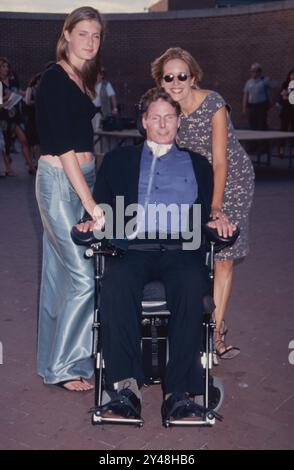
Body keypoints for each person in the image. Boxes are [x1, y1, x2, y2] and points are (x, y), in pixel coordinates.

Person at [78, 88, 235, 422]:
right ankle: (126, 389)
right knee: (116, 283)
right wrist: (90, 223)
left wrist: (219, 224)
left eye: (169, 118)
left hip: (180, 250)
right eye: (155, 117)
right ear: (144, 122)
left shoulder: (197, 165)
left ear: (179, 122)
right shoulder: (120, 161)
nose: (163, 125)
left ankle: (178, 392)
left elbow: (208, 213)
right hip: (132, 249)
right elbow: (101, 206)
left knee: (193, 286)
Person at [151, 47, 255, 359]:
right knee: (193, 255)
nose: (176, 81)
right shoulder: (165, 111)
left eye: (182, 75)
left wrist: (217, 206)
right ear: (161, 81)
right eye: (168, 76)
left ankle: (216, 333)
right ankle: (189, 325)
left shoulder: (213, 104)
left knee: (223, 257)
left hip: (231, 183)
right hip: (194, 186)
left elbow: (221, 162)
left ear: (193, 77)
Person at [35, 6, 105, 392]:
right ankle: (65, 366)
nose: (91, 41)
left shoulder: (83, 79)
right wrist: (91, 202)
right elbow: (63, 147)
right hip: (61, 182)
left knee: (60, 274)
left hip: (81, 178)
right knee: (82, 277)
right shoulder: (54, 79)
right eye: (83, 34)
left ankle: (52, 360)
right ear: (66, 35)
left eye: (96, 35)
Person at [0, 56, 36, 176]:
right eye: (3, 66)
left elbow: (20, 92)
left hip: (16, 116)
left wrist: (29, 91)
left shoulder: (13, 80)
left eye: (7, 66)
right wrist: (6, 99)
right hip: (3, 117)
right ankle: (8, 168)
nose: (6, 68)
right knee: (6, 143)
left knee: (24, 140)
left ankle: (31, 166)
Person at [242, 62, 276, 133]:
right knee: (252, 124)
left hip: (261, 105)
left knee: (261, 124)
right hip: (252, 106)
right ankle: (253, 143)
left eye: (255, 71)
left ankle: (263, 143)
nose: (253, 73)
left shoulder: (264, 80)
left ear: (259, 72)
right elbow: (246, 95)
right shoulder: (249, 82)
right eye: (252, 71)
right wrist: (244, 108)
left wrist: (272, 101)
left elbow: (273, 88)